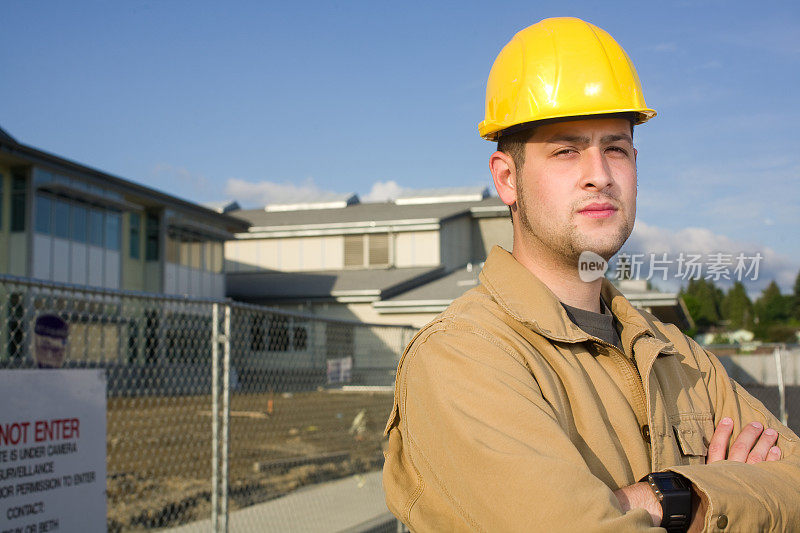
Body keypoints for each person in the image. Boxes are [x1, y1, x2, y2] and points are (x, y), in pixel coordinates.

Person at [382, 17, 800, 532]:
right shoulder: (463, 358)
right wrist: (711, 495)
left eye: (616, 148)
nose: (599, 174)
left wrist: (649, 501)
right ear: (506, 179)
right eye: (566, 149)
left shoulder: (676, 353)